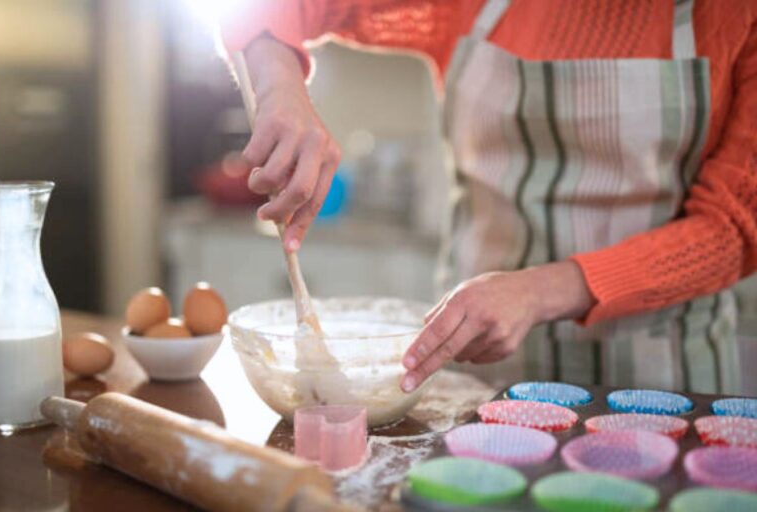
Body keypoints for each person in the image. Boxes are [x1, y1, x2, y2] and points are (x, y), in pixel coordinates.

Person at [221, 0, 757, 395]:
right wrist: (278, 84)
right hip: (479, 371)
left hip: (665, 382)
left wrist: (536, 292)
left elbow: (735, 226)